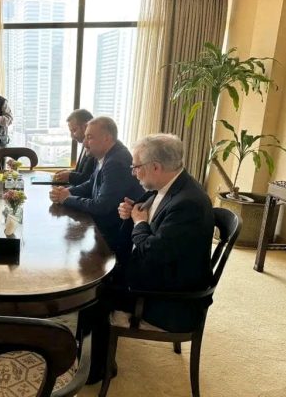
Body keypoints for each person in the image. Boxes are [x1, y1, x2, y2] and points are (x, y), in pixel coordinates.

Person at [85, 134, 215, 384]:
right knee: (96, 269)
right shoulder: (171, 186)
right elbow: (154, 220)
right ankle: (92, 352)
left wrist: (139, 223)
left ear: (155, 167)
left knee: (93, 293)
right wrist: (133, 211)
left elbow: (151, 251)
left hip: (170, 298)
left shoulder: (189, 204)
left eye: (136, 167)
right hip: (162, 274)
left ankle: (97, 369)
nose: (133, 173)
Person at [49, 116, 143, 253]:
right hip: (102, 230)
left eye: (89, 137)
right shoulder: (108, 155)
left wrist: (67, 198)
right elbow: (91, 184)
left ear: (107, 138)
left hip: (113, 238)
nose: (84, 143)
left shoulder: (116, 162)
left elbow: (101, 206)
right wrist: (66, 192)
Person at [53, 109, 97, 186]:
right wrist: (69, 173)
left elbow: (88, 179)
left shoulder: (96, 147)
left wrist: (70, 176)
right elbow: (81, 172)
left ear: (85, 126)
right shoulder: (84, 144)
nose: (72, 136)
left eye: (74, 130)